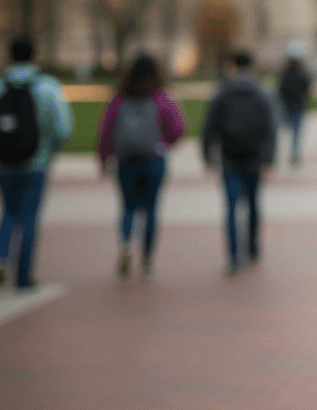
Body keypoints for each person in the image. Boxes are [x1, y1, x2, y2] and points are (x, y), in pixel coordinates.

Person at [0, 38, 73, 290]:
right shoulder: (48, 87)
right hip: (35, 163)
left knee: (8, 211)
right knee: (29, 217)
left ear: (9, 56)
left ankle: (0, 257)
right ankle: (23, 276)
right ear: (35, 56)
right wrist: (49, 152)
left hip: (1, 164)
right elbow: (63, 128)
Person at [97, 53, 185, 278]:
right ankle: (147, 258)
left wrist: (104, 157)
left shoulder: (120, 99)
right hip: (153, 159)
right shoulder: (161, 98)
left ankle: (126, 244)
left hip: (126, 160)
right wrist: (164, 142)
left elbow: (106, 130)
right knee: (151, 208)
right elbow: (177, 130)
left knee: (128, 206)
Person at [201, 50, 277, 275]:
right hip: (254, 157)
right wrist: (269, 160)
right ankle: (252, 248)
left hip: (229, 158)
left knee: (232, 207)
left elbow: (209, 126)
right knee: (253, 204)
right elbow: (270, 128)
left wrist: (207, 155)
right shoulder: (261, 94)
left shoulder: (222, 93)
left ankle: (234, 256)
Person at [277, 52, 312, 166]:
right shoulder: (301, 75)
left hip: (287, 107)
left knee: (284, 131)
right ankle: (294, 154)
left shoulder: (285, 75)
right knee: (296, 134)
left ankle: (282, 154)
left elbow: (280, 91)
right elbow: (307, 90)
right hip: (298, 107)